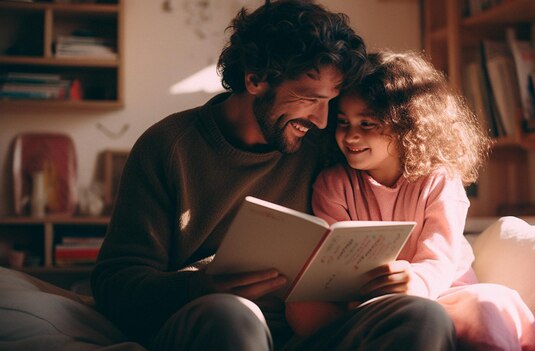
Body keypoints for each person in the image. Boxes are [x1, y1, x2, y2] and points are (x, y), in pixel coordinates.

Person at [91, 1, 456, 350]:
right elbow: (114, 284)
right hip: (212, 324)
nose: (323, 120)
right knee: (232, 315)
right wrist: (196, 288)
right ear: (255, 79)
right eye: (310, 98)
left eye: (331, 102)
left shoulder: (324, 144)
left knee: (422, 316)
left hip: (309, 334)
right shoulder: (169, 148)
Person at [286, 50, 535, 350]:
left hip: (445, 292)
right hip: (368, 299)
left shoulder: (438, 179)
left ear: (407, 125)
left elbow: (439, 259)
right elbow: (336, 263)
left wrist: (415, 283)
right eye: (343, 122)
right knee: (301, 306)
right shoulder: (333, 184)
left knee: (488, 303)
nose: (350, 136)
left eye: (367, 124)